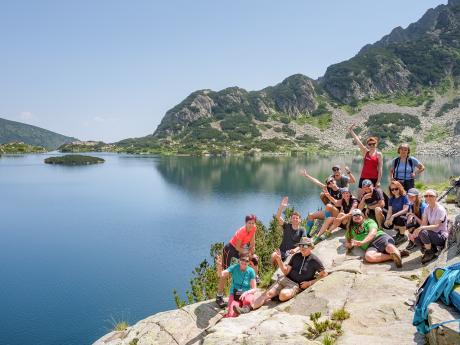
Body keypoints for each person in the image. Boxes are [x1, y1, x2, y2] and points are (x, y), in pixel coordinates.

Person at [234, 237, 327, 314]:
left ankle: (277, 294)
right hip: (285, 279)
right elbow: (286, 272)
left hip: (295, 285)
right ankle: (247, 308)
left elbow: (324, 274)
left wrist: (309, 283)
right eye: (301, 245)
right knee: (267, 294)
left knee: (283, 295)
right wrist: (279, 260)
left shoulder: (314, 260)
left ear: (311, 247)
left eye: (305, 245)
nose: (302, 247)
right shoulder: (296, 256)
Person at [216, 215, 258, 308]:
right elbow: (237, 248)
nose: (251, 225)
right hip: (230, 250)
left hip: (242, 249)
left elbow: (252, 244)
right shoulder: (241, 232)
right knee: (225, 273)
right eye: (249, 223)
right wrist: (247, 252)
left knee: (254, 259)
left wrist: (251, 253)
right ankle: (219, 296)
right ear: (245, 223)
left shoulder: (254, 228)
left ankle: (254, 279)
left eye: (252, 223)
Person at [410, 189, 448, 264]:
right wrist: (415, 233)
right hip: (432, 234)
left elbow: (436, 226)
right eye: (426, 196)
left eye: (431, 196)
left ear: (436, 197)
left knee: (423, 231)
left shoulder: (440, 209)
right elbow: (424, 223)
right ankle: (430, 250)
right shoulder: (427, 208)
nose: (428, 197)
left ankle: (430, 253)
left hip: (441, 236)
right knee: (415, 236)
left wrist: (421, 228)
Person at [216, 253, 257, 317]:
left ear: (249, 262)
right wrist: (219, 267)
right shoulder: (234, 267)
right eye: (243, 259)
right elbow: (221, 275)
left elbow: (254, 289)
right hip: (235, 294)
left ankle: (243, 309)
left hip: (246, 294)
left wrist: (246, 292)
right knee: (231, 313)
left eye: (247, 261)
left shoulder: (251, 271)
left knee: (248, 300)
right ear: (239, 260)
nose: (244, 262)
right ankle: (238, 309)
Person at [271, 196, 306, 263]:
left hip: (292, 253)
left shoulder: (302, 230)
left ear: (300, 220)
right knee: (273, 256)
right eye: (293, 218)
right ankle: (274, 271)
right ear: (291, 219)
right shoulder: (287, 226)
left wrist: (296, 249)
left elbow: (304, 243)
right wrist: (281, 207)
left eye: (297, 218)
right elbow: (277, 217)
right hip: (281, 251)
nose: (295, 219)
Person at [348, 124, 383, 189]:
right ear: (368, 145)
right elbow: (358, 141)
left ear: (376, 144)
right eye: (370, 144)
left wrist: (378, 181)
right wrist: (351, 131)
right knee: (360, 196)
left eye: (373, 144)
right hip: (364, 177)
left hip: (374, 178)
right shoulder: (365, 152)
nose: (372, 145)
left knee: (372, 197)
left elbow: (380, 169)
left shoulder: (379, 154)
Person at [384, 181, 410, 246]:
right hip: (396, 216)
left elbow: (405, 210)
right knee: (385, 220)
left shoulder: (404, 197)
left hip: (405, 217)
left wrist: (393, 216)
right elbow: (389, 211)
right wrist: (387, 219)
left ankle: (402, 236)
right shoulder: (391, 199)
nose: (394, 191)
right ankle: (399, 232)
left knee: (400, 218)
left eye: (396, 189)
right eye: (392, 189)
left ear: (399, 188)